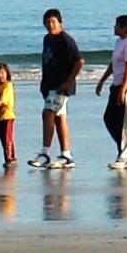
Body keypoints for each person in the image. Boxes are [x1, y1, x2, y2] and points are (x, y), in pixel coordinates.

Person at [35, 10, 83, 167]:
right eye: (47, 22)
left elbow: (79, 61)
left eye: (53, 22)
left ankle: (45, 153)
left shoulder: (65, 40)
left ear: (60, 23)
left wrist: (69, 82)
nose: (50, 25)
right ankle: (66, 155)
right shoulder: (47, 39)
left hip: (61, 86)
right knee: (59, 118)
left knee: (47, 113)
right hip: (49, 85)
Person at [98, 14, 127, 166]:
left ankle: (124, 156)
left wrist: (123, 89)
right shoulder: (119, 42)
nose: (114, 27)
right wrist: (102, 81)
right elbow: (113, 65)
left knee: (125, 121)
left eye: (117, 25)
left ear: (124, 27)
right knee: (109, 119)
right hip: (117, 84)